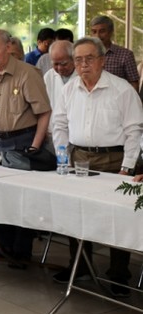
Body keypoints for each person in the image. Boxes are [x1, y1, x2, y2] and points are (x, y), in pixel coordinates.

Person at [51, 37, 142, 297]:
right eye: (78, 59)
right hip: (78, 158)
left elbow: (134, 130)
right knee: (75, 212)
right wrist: (61, 157)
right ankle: (78, 265)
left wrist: (127, 166)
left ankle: (119, 273)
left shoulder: (122, 89)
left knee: (117, 217)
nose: (83, 64)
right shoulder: (69, 89)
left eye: (89, 58)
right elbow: (59, 124)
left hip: (114, 160)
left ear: (102, 60)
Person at [0, 28, 52, 266]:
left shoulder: (27, 73)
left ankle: (21, 251)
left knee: (21, 199)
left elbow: (44, 112)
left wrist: (36, 146)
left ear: (8, 47)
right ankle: (5, 247)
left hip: (22, 142)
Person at [89, 15, 140, 88]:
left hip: (118, 98)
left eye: (102, 31)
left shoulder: (125, 55)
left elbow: (134, 83)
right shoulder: (86, 55)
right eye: (94, 32)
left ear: (111, 32)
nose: (97, 36)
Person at [42, 41, 76, 135]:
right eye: (55, 64)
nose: (60, 68)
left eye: (64, 64)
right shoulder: (49, 76)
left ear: (73, 59)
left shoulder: (82, 76)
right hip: (53, 132)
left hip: (75, 133)